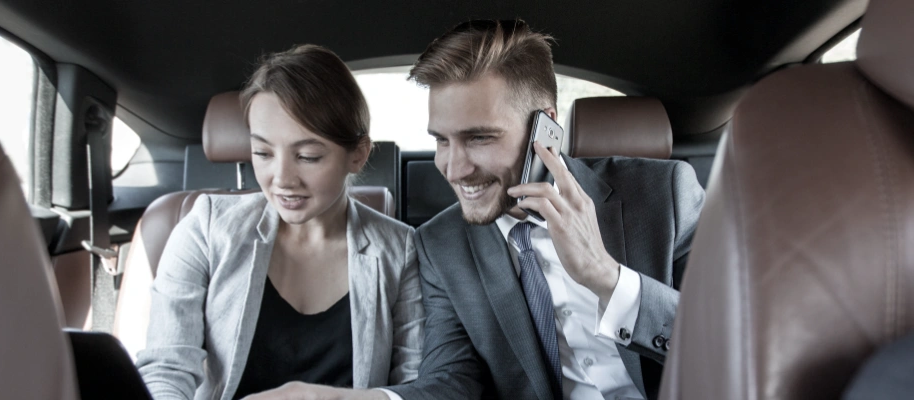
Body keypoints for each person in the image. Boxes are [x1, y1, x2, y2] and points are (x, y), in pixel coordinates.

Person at [251, 19, 704, 400]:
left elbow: (728, 343)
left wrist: (606, 278)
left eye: (479, 138)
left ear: (545, 127)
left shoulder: (664, 195)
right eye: (441, 140)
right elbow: (453, 381)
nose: (453, 167)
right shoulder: (440, 244)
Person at [135, 44, 424, 400]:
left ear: (358, 155)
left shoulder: (401, 250)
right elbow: (167, 368)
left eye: (307, 156)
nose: (282, 178)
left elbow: (414, 386)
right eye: (263, 153)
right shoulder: (206, 229)